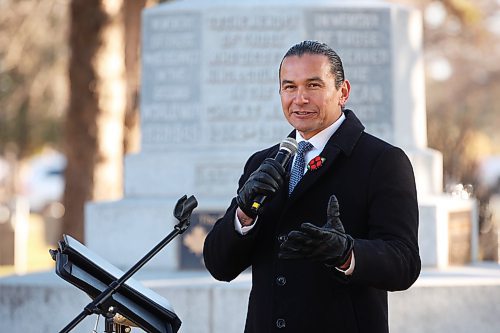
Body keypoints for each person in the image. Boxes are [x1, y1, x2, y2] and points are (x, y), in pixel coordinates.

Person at [203, 40, 420, 333]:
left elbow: (404, 262)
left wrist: (347, 253)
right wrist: (243, 215)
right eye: (289, 87)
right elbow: (219, 266)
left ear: (343, 92)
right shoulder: (261, 163)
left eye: (313, 86)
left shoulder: (383, 160)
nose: (300, 98)